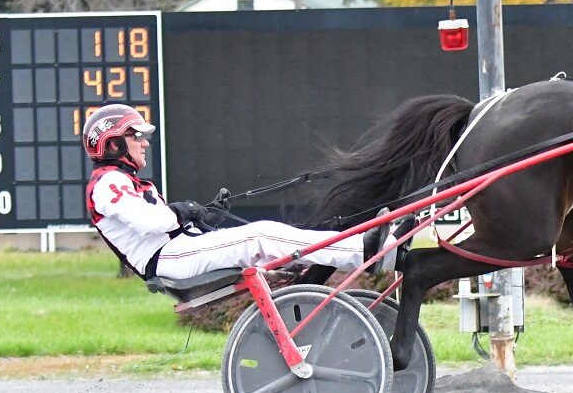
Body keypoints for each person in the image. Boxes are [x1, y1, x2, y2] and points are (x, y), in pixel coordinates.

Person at [82, 104, 399, 282]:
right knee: (260, 236)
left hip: (177, 252)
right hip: (167, 260)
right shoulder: (108, 184)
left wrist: (200, 218)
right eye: (135, 135)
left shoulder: (123, 181)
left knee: (265, 238)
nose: (144, 142)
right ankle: (365, 252)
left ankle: (364, 249)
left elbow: (164, 223)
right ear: (111, 143)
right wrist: (183, 211)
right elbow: (151, 223)